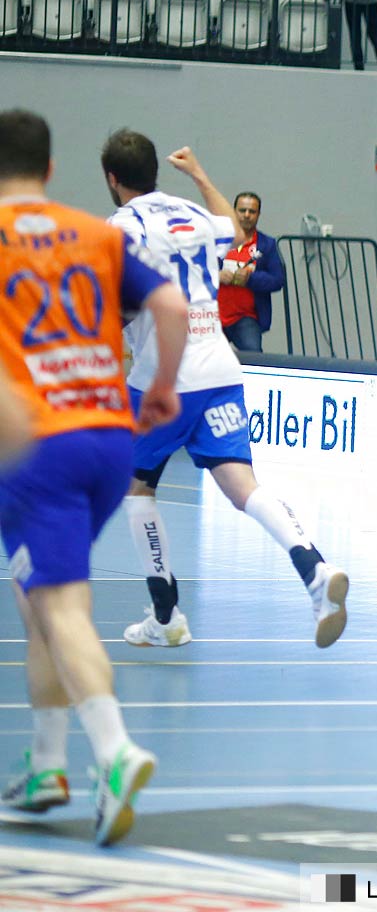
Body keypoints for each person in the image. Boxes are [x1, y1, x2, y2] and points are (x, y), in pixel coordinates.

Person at [0, 109, 188, 844]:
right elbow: (169, 303)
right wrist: (165, 385)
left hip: (35, 442)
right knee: (36, 594)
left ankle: (114, 752)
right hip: (109, 438)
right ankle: (48, 764)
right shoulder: (94, 232)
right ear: (49, 171)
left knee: (62, 605)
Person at [101, 133, 349, 650]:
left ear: (112, 179)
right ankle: (315, 571)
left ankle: (165, 615)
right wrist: (199, 174)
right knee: (244, 488)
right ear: (155, 172)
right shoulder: (190, 211)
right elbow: (233, 230)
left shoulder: (120, 228)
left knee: (136, 489)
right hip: (219, 368)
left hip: (161, 378)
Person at [216, 191, 285, 354]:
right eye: (242, 210)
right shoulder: (218, 241)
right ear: (234, 212)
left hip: (246, 318)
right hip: (214, 317)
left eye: (252, 212)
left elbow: (278, 280)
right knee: (206, 361)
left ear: (258, 215)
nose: (247, 215)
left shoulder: (267, 244)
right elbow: (196, 270)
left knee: (255, 359)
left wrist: (250, 279)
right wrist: (216, 275)